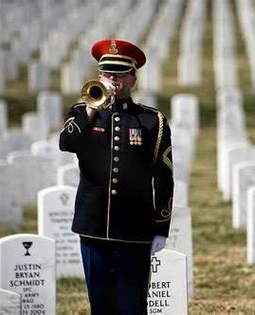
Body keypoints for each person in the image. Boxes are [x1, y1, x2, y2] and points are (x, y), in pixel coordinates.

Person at [59, 39, 173, 315]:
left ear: (133, 78)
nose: (113, 79)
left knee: (133, 305)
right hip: (93, 226)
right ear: (99, 76)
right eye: (108, 72)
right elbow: (67, 143)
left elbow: (164, 176)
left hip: (134, 229)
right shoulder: (82, 114)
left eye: (121, 73)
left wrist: (161, 227)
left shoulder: (151, 121)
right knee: (100, 306)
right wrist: (90, 109)